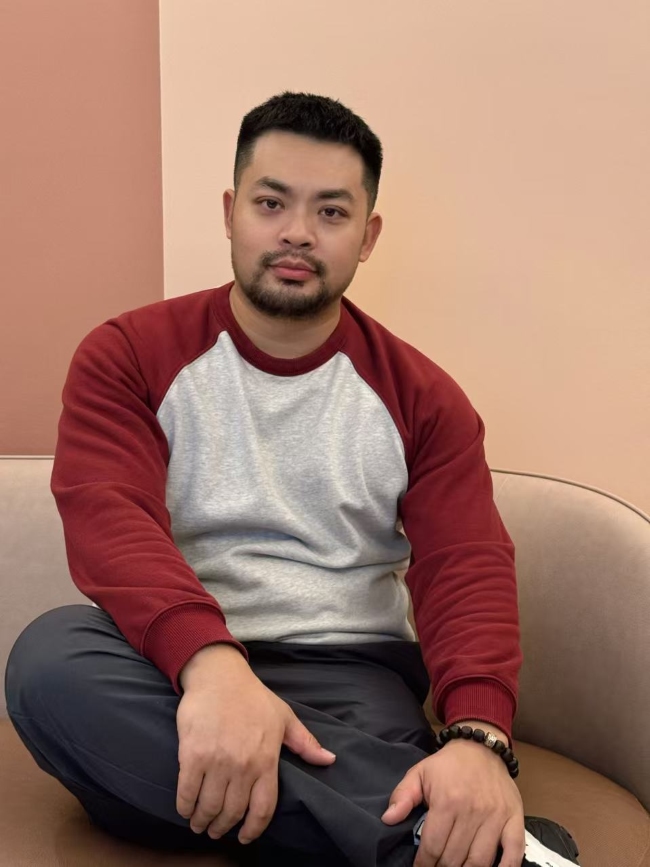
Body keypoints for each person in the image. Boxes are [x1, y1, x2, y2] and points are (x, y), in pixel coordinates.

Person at [4, 92, 579, 867]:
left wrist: (478, 738)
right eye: (271, 203)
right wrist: (214, 668)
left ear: (368, 236)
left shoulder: (424, 397)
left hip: (350, 682)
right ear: (230, 212)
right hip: (174, 677)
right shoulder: (127, 356)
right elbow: (110, 518)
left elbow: (465, 566)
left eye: (331, 212)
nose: (297, 232)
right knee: (49, 663)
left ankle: (351, 820)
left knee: (162, 766)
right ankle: (435, 838)